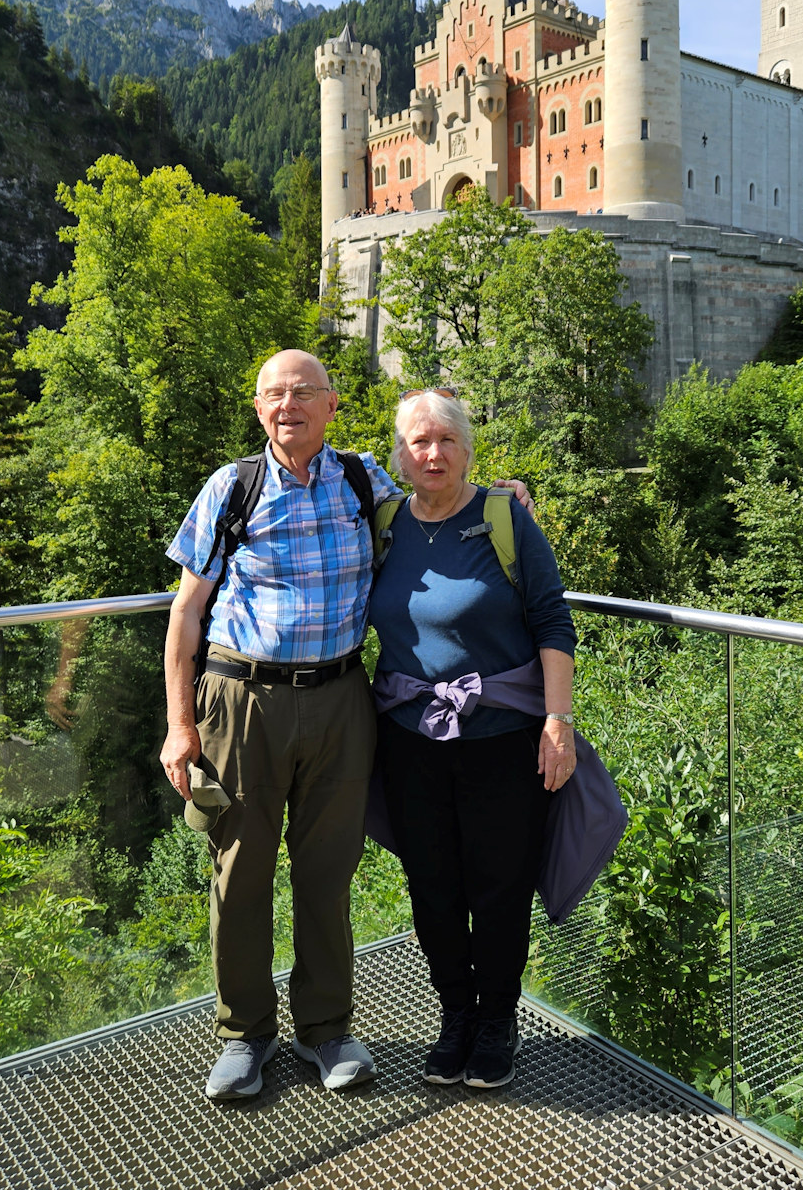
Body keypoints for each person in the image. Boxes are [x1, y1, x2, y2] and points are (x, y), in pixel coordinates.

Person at [159, 350, 530, 1101]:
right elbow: (185, 614)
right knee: (240, 875)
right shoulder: (231, 488)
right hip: (242, 700)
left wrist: (504, 497)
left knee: (327, 875)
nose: (286, 404)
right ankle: (243, 1034)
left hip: (341, 698)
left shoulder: (365, 481)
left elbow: (440, 496)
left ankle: (324, 1029)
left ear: (331, 407)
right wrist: (179, 726)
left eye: (302, 393)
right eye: (272, 394)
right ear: (258, 408)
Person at [368, 390, 577, 1090]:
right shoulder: (383, 523)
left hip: (501, 736)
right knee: (431, 884)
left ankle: (497, 1021)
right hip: (408, 737)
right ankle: (454, 1014)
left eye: (445, 441)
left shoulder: (503, 519)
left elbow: (552, 622)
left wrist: (558, 720)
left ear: (467, 449)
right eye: (418, 442)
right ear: (399, 453)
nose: (432, 454)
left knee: (498, 886)